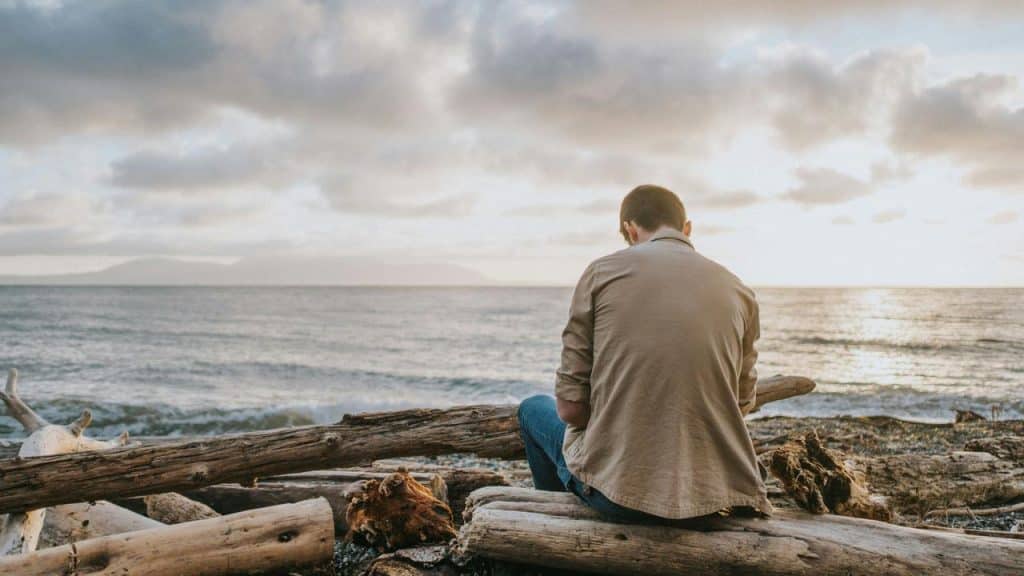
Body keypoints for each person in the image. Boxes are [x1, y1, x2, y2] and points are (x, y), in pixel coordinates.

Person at [518, 184, 771, 523]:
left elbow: (571, 410)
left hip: (621, 496)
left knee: (533, 409)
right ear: (687, 229)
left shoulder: (601, 273)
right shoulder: (739, 290)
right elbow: (740, 405)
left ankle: (553, 535)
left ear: (630, 229)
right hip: (719, 495)